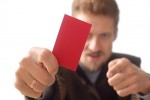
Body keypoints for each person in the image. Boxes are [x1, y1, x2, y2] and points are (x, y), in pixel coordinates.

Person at [14, 0, 150, 100]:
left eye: (104, 35)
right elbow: (53, 90)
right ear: (73, 32)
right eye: (87, 35)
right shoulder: (55, 69)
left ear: (115, 34)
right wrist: (40, 88)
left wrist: (148, 88)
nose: (94, 47)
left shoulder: (131, 66)